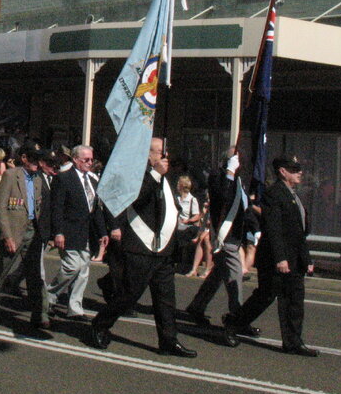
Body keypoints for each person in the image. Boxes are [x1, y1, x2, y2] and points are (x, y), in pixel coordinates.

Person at [90, 138, 196, 358]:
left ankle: (168, 340)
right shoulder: (136, 173)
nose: (163, 157)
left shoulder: (168, 177)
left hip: (163, 249)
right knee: (129, 295)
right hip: (140, 246)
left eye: (164, 152)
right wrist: (155, 173)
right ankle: (100, 325)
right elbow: (135, 199)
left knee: (166, 299)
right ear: (147, 154)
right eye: (158, 152)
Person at [225, 156, 317, 356]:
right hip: (276, 257)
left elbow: (299, 232)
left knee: (294, 300)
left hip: (295, 257)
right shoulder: (273, 193)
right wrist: (280, 258)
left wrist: (307, 259)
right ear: (283, 172)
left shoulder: (293, 195)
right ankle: (233, 324)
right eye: (294, 170)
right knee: (265, 296)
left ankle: (293, 342)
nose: (299, 173)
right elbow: (273, 228)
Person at [182, 148, 259, 335]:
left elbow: (243, 209)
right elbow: (223, 197)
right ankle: (238, 317)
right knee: (235, 276)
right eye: (237, 159)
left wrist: (255, 229)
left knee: (217, 276)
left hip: (236, 236)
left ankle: (197, 306)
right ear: (229, 161)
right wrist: (230, 173)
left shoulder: (238, 181)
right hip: (225, 237)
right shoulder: (218, 177)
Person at [0, 141, 52, 327]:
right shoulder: (11, 175)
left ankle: (40, 313)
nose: (38, 163)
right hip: (13, 230)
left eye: (40, 160)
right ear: (24, 158)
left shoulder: (38, 178)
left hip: (33, 231)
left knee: (35, 276)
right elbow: (1, 208)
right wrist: (7, 235)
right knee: (0, 272)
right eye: (35, 159)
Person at [47, 144, 108, 321]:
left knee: (83, 270)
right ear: (75, 159)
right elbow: (57, 208)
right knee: (71, 266)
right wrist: (58, 232)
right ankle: (49, 295)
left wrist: (102, 232)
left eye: (91, 159)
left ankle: (75, 308)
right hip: (69, 230)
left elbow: (95, 209)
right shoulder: (64, 178)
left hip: (88, 232)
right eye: (85, 160)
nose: (89, 163)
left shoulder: (94, 180)